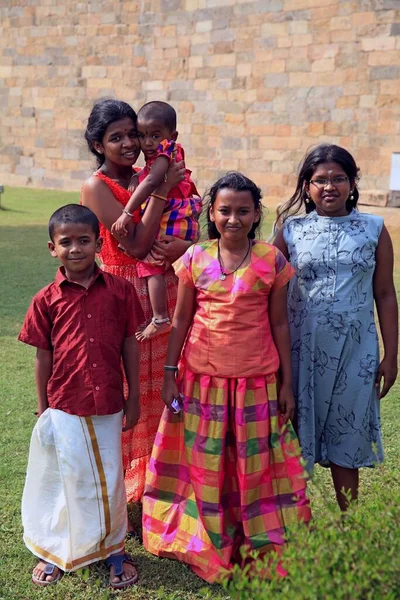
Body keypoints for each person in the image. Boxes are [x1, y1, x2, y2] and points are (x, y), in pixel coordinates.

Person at [142, 172, 311, 583]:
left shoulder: (272, 260)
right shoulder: (195, 258)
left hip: (257, 381)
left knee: (253, 465)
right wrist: (169, 373)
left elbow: (280, 325)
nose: (233, 218)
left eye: (243, 211)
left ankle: (253, 538)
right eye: (224, 210)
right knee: (205, 464)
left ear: (256, 214)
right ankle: (210, 539)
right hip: (202, 380)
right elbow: (180, 320)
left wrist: (287, 384)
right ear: (211, 213)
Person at [19, 205, 140, 589]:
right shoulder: (45, 299)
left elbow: (129, 347)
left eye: (84, 241)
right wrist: (43, 406)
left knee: (109, 477)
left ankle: (114, 550)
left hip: (108, 401)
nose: (75, 249)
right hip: (64, 403)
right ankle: (56, 550)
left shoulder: (121, 292)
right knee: (67, 475)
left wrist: (133, 395)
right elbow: (43, 356)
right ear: (52, 248)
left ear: (99, 243)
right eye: (66, 242)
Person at [274, 144, 398, 511]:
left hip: (354, 350)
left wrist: (391, 355)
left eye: (339, 178)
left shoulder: (374, 229)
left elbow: (385, 294)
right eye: (320, 180)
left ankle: (349, 526)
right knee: (291, 432)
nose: (330, 187)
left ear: (352, 182)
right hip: (299, 348)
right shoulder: (291, 230)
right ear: (307, 186)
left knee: (346, 433)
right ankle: (288, 521)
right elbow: (263, 282)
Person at [81, 99, 191, 510]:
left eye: (134, 134)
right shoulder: (97, 186)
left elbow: (185, 226)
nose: (130, 143)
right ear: (98, 144)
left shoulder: (150, 171)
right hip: (123, 297)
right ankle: (118, 489)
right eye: (117, 137)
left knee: (165, 388)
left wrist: (184, 240)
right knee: (128, 392)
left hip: (166, 289)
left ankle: (163, 483)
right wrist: (161, 190)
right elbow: (140, 245)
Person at [111, 101, 202, 342]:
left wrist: (127, 213)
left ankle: (160, 317)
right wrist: (138, 176)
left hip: (174, 217)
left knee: (151, 264)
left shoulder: (166, 152)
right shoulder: (162, 155)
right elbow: (149, 177)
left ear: (172, 135)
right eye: (142, 136)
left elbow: (152, 183)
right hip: (175, 215)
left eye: (155, 135)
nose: (147, 143)